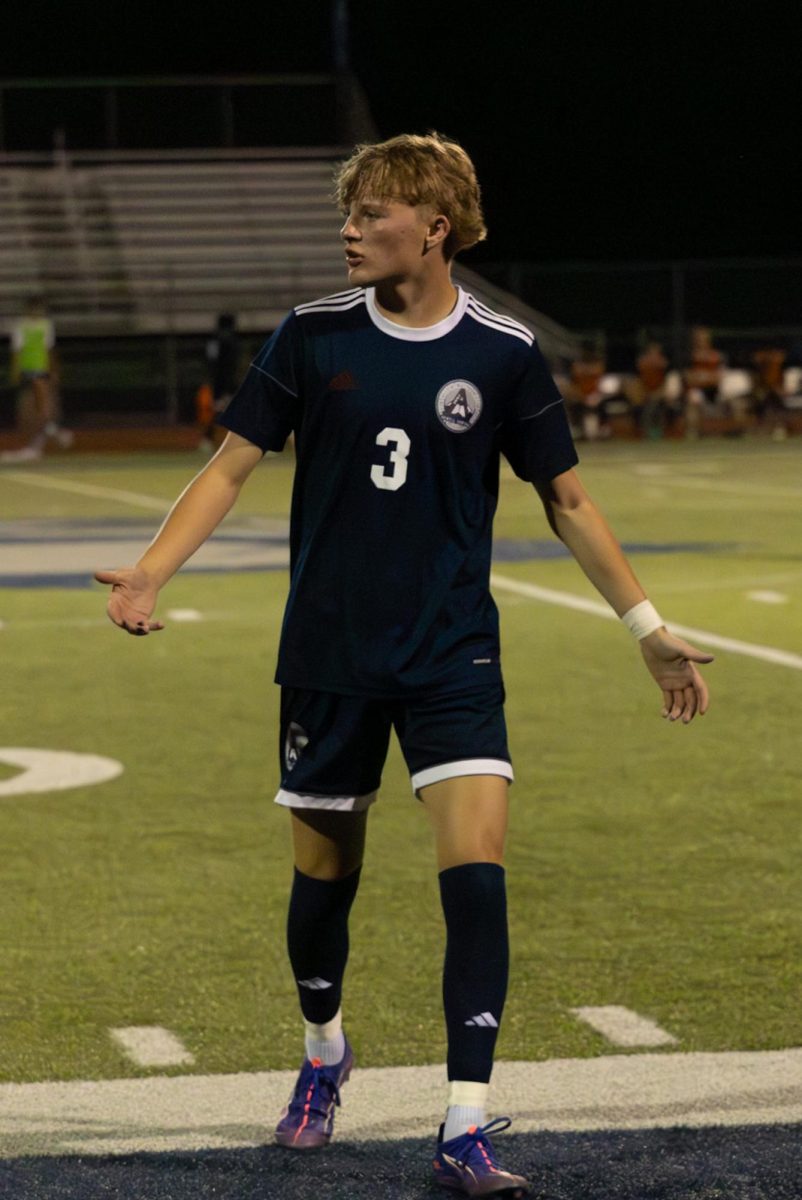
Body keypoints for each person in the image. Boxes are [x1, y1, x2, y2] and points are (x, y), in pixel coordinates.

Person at [95, 132, 712, 1199]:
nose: (348, 227)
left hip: (452, 654)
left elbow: (568, 501)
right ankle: (325, 1048)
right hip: (329, 654)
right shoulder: (310, 333)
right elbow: (231, 464)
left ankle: (464, 1122)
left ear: (433, 226)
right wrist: (151, 572)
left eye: (372, 211)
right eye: (349, 209)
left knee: (476, 877)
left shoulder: (503, 353)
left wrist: (647, 626)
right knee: (322, 883)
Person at [1, 295, 72, 462]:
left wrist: (54, 371)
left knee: (42, 409)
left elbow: (50, 350)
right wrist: (16, 371)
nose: (38, 312)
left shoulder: (46, 326)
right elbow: (17, 352)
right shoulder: (21, 327)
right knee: (32, 410)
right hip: (28, 371)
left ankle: (38, 445)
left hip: (40, 371)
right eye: (35, 308)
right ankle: (54, 435)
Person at [198, 313, 241, 452]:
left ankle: (207, 440)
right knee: (237, 411)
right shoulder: (232, 340)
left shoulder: (213, 339)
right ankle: (248, 442)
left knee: (217, 411)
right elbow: (232, 365)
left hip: (216, 383)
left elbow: (210, 361)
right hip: (228, 382)